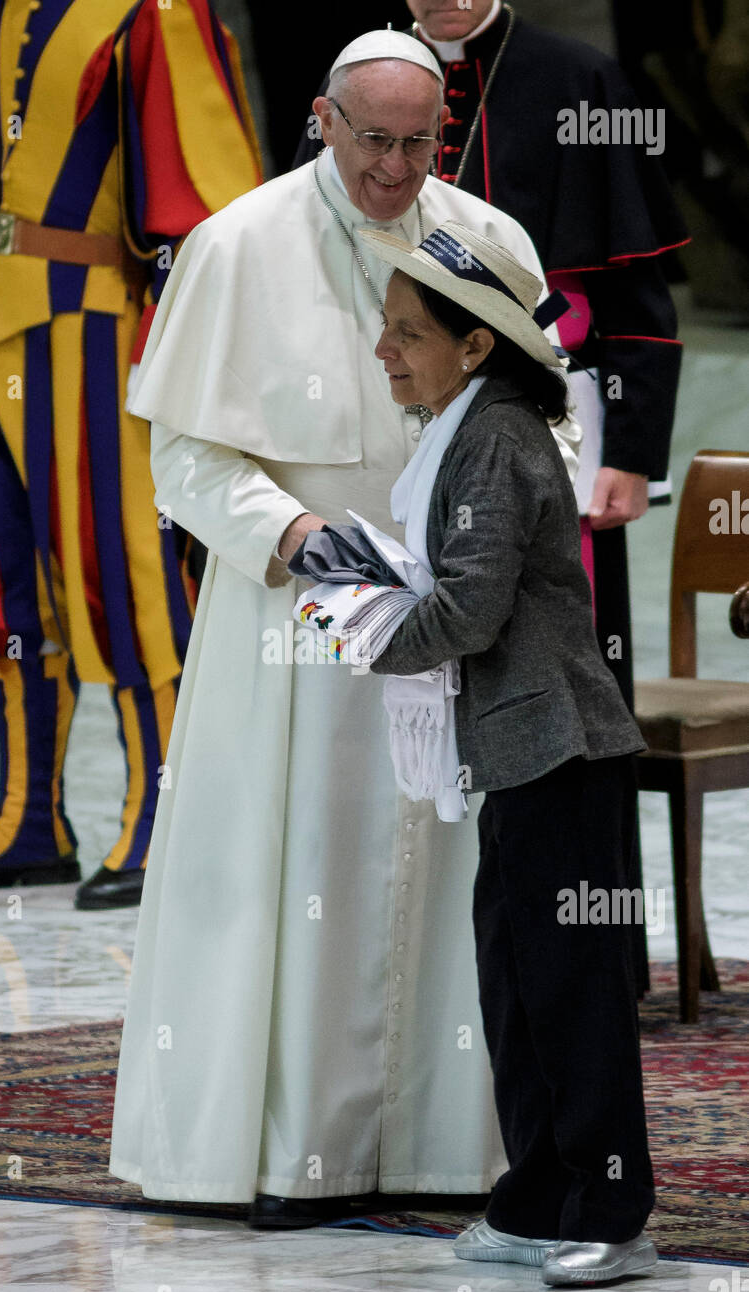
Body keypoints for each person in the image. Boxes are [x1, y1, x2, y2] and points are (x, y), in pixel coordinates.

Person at [109, 29, 581, 1229]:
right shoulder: (236, 244)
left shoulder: (484, 241)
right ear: (322, 119)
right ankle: (275, 1152)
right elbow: (185, 453)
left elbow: (548, 423)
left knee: (450, 884)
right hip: (298, 631)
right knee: (293, 873)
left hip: (455, 619)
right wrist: (292, 532)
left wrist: (475, 534)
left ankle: (435, 1140)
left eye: (419, 141)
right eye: (372, 140)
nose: (394, 168)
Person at [296, 0, 690, 992]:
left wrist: (632, 454)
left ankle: (594, 951)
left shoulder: (574, 77)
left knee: (563, 681)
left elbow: (638, 298)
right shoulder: (362, 82)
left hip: (555, 418)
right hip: (406, 413)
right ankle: (465, 960)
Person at [0, 0, 261, 909]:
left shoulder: (156, 12)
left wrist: (179, 354)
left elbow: (211, 207)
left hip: (101, 321)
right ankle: (29, 819)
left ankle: (169, 805)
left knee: (125, 566)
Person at [364, 218, 656, 1287]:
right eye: (383, 329)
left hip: (560, 752)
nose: (385, 350)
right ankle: (537, 1197)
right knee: (515, 986)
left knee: (568, 990)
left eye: (407, 333)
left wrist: (351, 626)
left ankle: (612, 1213)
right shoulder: (468, 423)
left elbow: (470, 610)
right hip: (520, 754)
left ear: (475, 343)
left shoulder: (494, 437)